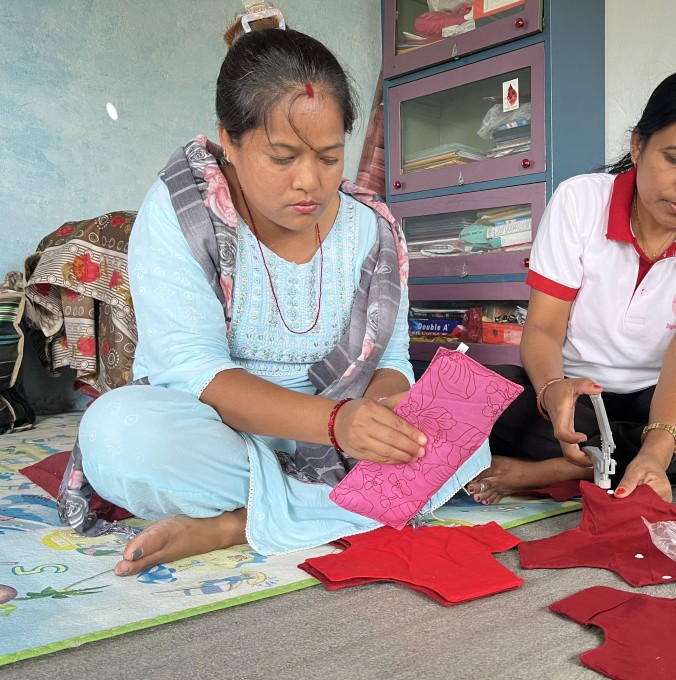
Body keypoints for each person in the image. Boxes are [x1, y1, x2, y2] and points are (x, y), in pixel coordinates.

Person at [57, 6, 490, 576]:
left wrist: (384, 411)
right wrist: (334, 422)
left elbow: (388, 361)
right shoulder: (184, 213)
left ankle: (231, 524)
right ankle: (348, 508)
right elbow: (192, 370)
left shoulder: (373, 229)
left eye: (330, 157)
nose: (310, 180)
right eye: (282, 157)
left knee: (462, 420)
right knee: (121, 434)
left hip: (346, 433)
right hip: (221, 431)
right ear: (228, 143)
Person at [475, 67, 676, 504]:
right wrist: (551, 388)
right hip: (580, 395)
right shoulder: (580, 200)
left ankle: (561, 470)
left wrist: (658, 445)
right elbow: (542, 328)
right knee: (465, 397)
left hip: (672, 399)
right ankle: (674, 464)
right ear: (638, 145)